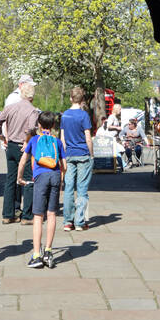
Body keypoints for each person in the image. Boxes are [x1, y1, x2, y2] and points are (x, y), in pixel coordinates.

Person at [18, 111, 65, 268]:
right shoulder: (57, 141)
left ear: (38, 124)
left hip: (41, 177)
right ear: (53, 125)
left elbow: (24, 160)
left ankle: (37, 254)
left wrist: (19, 177)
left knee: (38, 216)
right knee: (51, 214)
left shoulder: (34, 140)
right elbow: (63, 165)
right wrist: (61, 179)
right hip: (55, 176)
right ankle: (48, 251)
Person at [0, 75, 40, 225]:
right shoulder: (33, 111)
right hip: (24, 147)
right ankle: (27, 215)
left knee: (10, 180)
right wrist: (28, 140)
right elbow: (31, 128)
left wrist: (2, 137)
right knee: (27, 179)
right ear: (32, 97)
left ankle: (8, 214)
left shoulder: (10, 108)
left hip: (11, 145)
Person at [59, 86, 94, 231]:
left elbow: (62, 138)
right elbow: (88, 137)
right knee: (82, 189)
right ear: (82, 99)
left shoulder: (65, 115)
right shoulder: (84, 115)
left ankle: (68, 221)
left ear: (70, 98)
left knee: (68, 188)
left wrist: (63, 156)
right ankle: (80, 222)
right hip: (83, 154)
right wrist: (91, 154)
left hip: (69, 154)